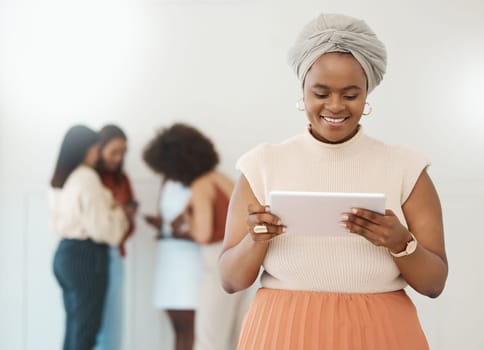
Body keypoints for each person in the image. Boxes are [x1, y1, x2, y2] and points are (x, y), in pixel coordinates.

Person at [219, 13, 448, 350]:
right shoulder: (262, 163)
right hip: (282, 333)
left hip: (381, 333)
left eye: (351, 94)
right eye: (321, 93)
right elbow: (230, 280)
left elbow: (434, 284)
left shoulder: (406, 167)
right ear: (303, 90)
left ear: (367, 92)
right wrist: (255, 239)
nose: (336, 106)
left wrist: (401, 242)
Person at [143, 123, 248, 350]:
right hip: (240, 263)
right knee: (238, 337)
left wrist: (185, 222)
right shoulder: (222, 178)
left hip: (216, 265)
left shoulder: (200, 185)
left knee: (209, 340)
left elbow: (202, 234)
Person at [49, 125, 133, 350]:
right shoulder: (86, 177)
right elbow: (106, 231)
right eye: (97, 149)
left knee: (74, 328)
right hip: (87, 258)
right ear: (86, 149)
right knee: (86, 332)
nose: (98, 155)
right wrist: (120, 212)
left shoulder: (61, 177)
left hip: (64, 254)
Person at [95, 125, 137, 350]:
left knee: (113, 324)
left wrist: (126, 217)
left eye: (123, 152)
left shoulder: (123, 180)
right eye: (114, 151)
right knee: (90, 324)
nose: (119, 157)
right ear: (99, 149)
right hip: (91, 254)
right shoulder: (90, 179)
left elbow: (127, 230)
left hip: (114, 254)